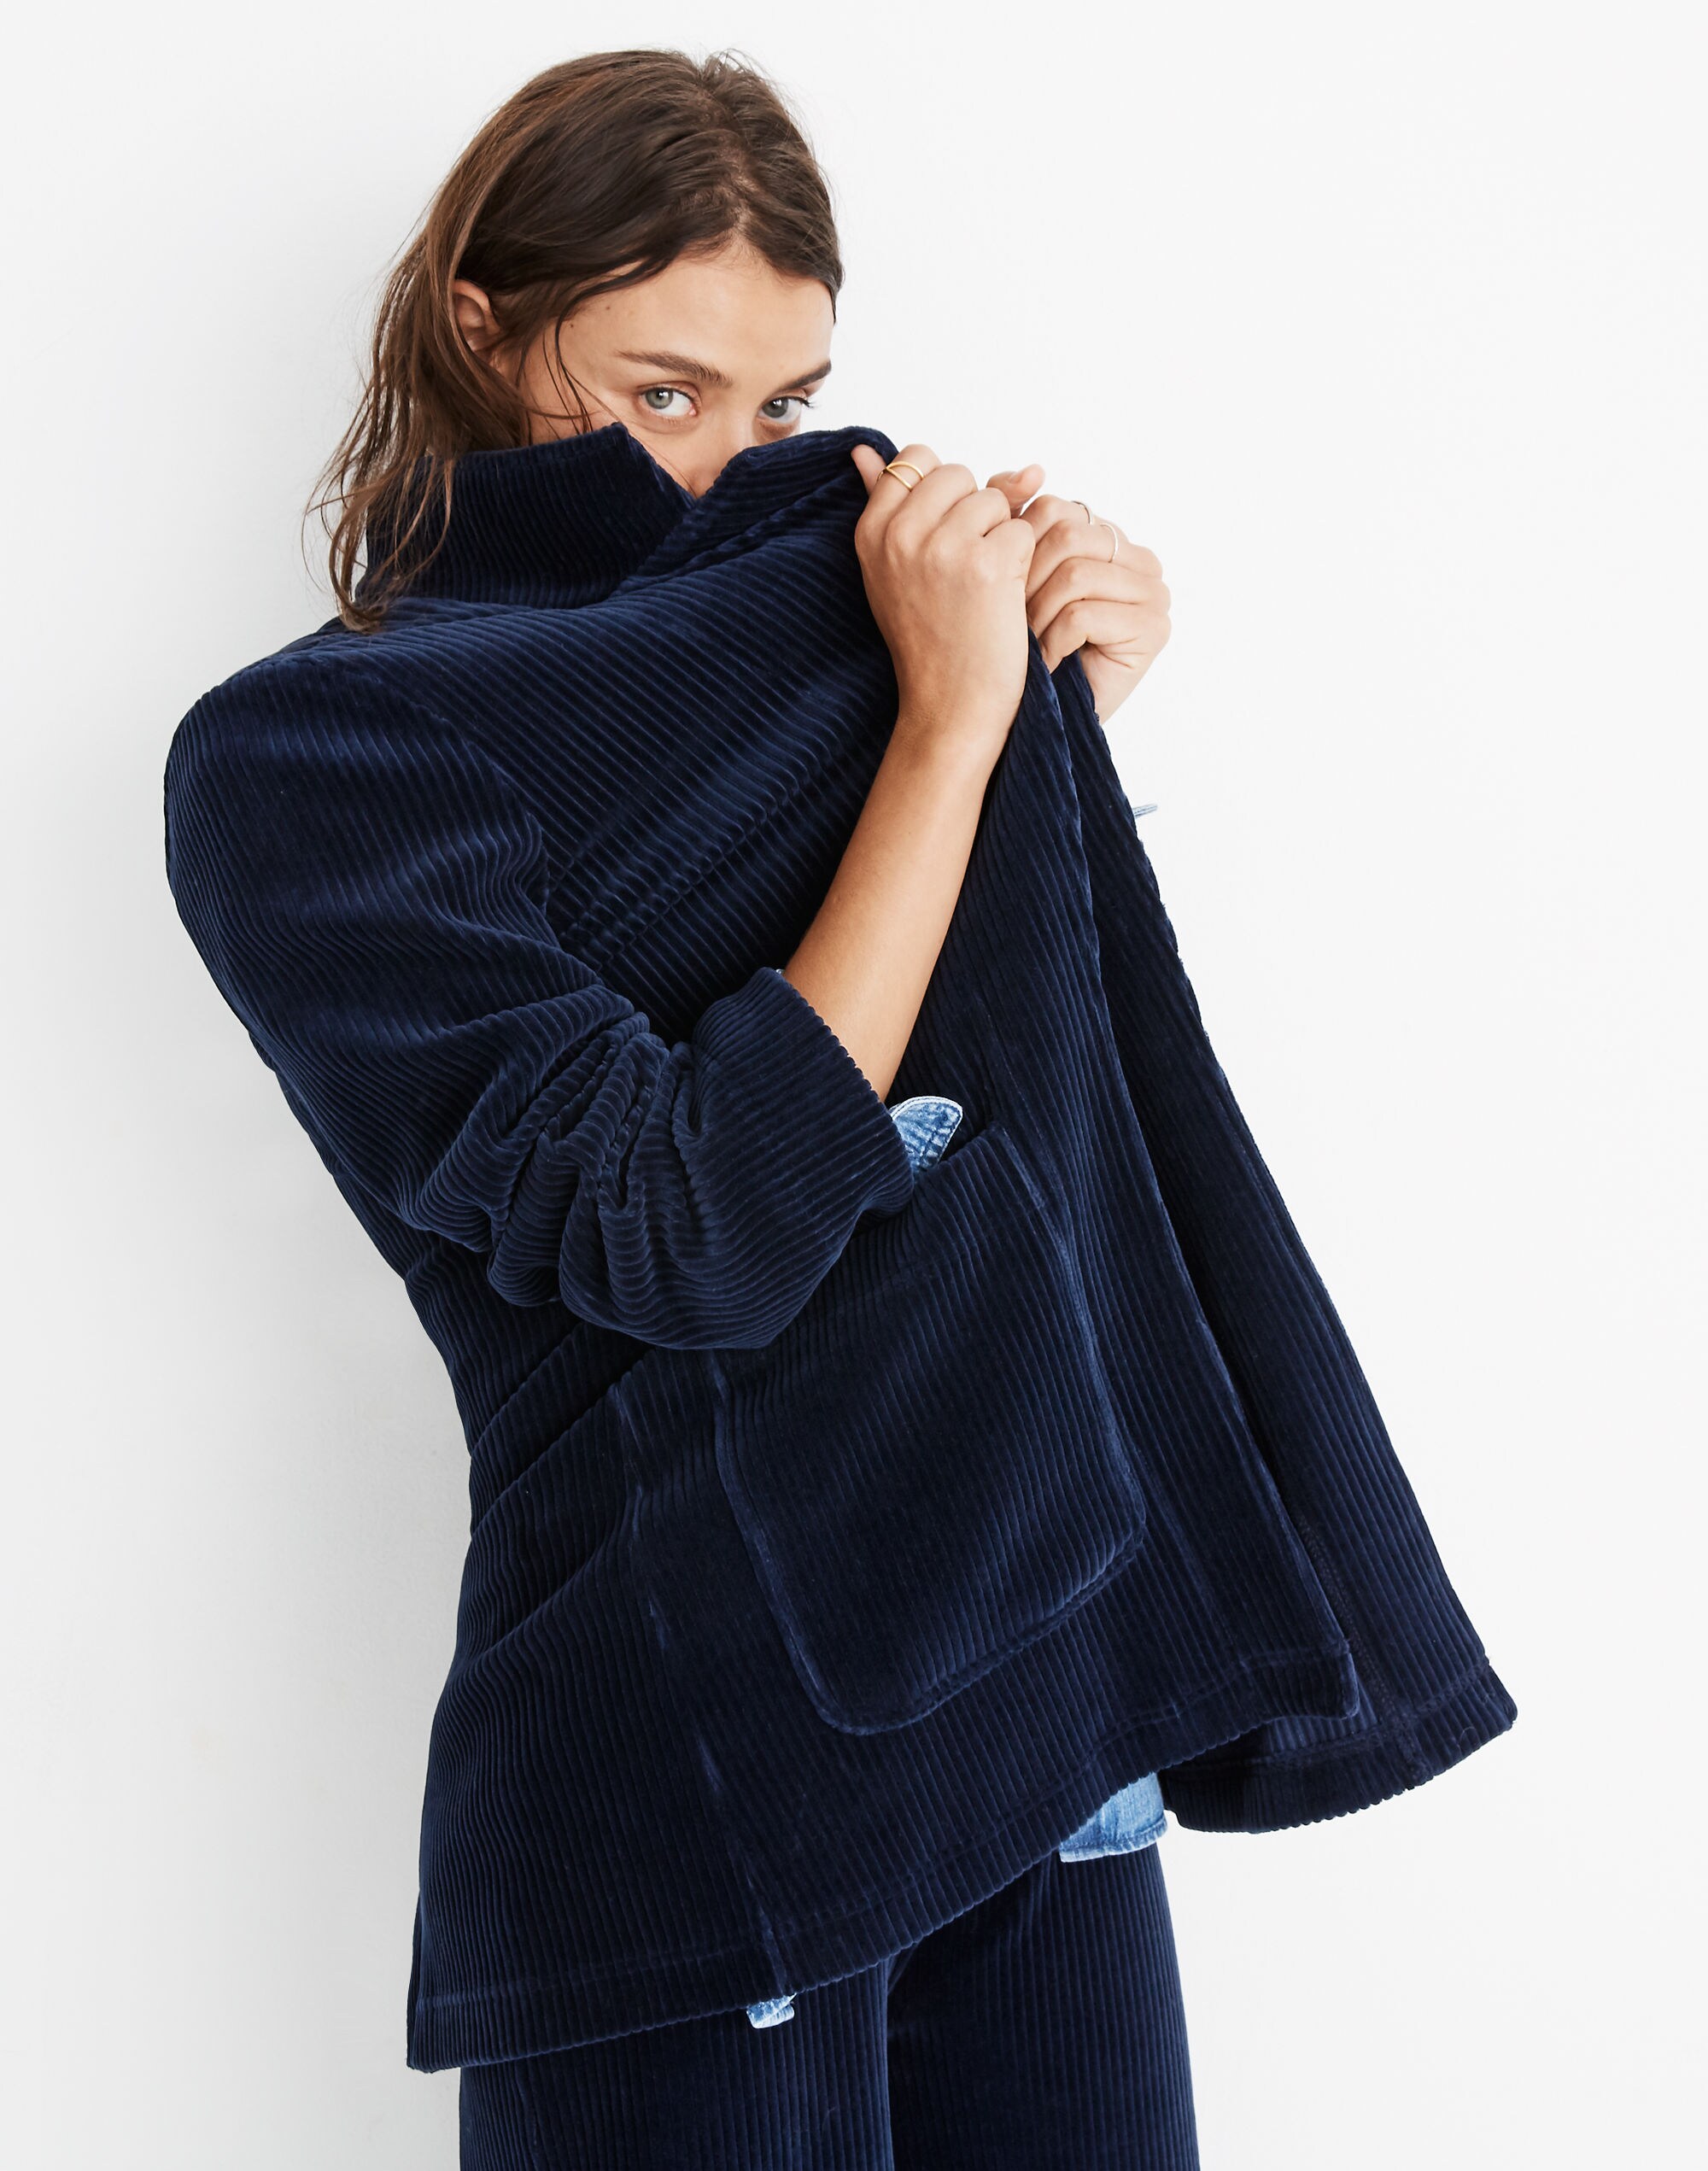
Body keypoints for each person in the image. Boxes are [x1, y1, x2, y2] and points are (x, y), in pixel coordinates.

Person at [164, 43, 1513, 2171]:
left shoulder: (856, 652)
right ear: (480, 326)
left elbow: (1006, 1092)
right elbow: (696, 1226)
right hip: (694, 1786)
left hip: (1036, 1704)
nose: (726, 469)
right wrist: (954, 730)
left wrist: (1050, 737)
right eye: (659, 389)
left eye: (781, 406)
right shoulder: (313, 758)